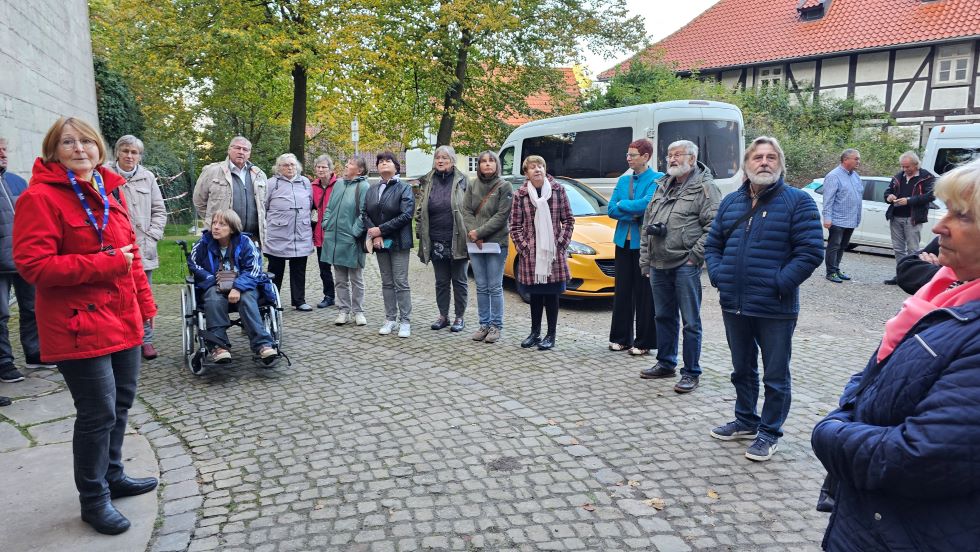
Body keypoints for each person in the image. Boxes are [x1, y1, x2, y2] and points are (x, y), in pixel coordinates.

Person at [811, 158, 980, 551]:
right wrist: (856, 400)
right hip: (879, 521)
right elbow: (882, 367)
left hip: (917, 531)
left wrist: (830, 432)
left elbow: (921, 457)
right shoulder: (945, 293)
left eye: (962, 216)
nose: (938, 227)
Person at [13, 117, 158, 535]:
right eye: (68, 142)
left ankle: (113, 475)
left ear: (99, 148)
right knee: (96, 412)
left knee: (121, 403)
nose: (79, 149)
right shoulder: (40, 198)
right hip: (78, 324)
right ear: (53, 150)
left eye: (86, 142)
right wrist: (106, 263)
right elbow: (34, 266)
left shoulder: (109, 190)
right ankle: (93, 500)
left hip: (123, 318)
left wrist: (146, 305)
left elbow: (129, 253)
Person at [704, 136, 823, 461]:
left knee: (775, 375)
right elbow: (712, 245)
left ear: (780, 164)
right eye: (757, 157)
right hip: (734, 303)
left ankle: (769, 433)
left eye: (771, 157)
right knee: (741, 369)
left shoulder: (798, 202)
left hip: (775, 307)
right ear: (746, 165)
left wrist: (779, 283)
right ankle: (745, 421)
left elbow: (811, 251)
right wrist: (719, 275)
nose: (764, 162)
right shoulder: (731, 203)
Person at [638, 140, 721, 394]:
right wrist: (645, 259)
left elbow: (715, 226)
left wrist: (694, 257)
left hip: (685, 263)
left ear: (692, 159)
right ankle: (665, 362)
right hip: (658, 262)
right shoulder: (662, 185)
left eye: (677, 155)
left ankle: (691, 372)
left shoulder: (706, 188)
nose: (672, 159)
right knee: (663, 316)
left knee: (690, 322)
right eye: (669, 155)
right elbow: (647, 224)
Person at [188, 209, 278, 364]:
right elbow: (194, 265)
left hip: (244, 287)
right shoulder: (202, 243)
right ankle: (218, 346)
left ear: (232, 228)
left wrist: (237, 287)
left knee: (247, 297)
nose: (215, 227)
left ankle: (262, 344)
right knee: (213, 298)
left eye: (222, 224)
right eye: (214, 223)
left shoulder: (245, 243)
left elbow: (254, 269)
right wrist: (212, 279)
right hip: (214, 286)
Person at [108, 135, 167, 360]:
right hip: (114, 249)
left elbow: (160, 211)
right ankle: (120, 339)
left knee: (144, 296)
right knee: (116, 296)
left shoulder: (147, 177)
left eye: (134, 152)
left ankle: (146, 340)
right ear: (117, 153)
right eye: (125, 151)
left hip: (143, 248)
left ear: (140, 156)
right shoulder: (104, 175)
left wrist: (152, 237)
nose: (129, 156)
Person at [0, 136, 52, 389]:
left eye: (4, 148)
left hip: (24, 258)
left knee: (32, 307)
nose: (3, 153)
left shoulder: (17, 181)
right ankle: (4, 362)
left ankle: (35, 352)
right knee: (1, 314)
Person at [509, 155, 574, 351]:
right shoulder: (520, 195)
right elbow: (514, 225)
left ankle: (551, 335)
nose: (537, 169)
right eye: (532, 167)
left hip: (552, 252)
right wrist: (524, 247)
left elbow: (569, 220)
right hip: (532, 254)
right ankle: (535, 332)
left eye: (541, 166)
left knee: (552, 295)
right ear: (526, 173)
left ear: (545, 170)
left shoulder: (558, 190)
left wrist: (560, 243)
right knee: (535, 296)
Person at [607, 139, 661, 356]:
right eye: (628, 154)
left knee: (644, 293)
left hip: (644, 244)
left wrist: (624, 206)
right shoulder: (623, 181)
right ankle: (621, 339)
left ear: (646, 157)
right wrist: (632, 210)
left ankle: (644, 341)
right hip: (623, 242)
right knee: (622, 292)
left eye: (632, 155)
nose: (628, 158)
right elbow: (611, 209)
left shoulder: (658, 179)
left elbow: (648, 205)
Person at [416, 146, 469, 333]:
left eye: (445, 158)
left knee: (460, 280)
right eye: (438, 157)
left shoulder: (463, 180)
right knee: (441, 281)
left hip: (458, 238)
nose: (440, 161)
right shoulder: (427, 180)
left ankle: (459, 316)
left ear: (452, 160)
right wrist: (419, 231)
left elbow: (470, 209)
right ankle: (443, 316)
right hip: (436, 238)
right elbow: (420, 209)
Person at [461, 150, 513, 344]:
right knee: (481, 286)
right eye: (483, 161)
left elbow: (501, 216)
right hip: (475, 243)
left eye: (491, 161)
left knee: (494, 286)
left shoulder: (504, 186)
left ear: (497, 164)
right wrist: (473, 233)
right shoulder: (472, 184)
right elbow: (466, 210)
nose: (487, 164)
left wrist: (479, 233)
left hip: (496, 243)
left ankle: (496, 326)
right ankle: (483, 324)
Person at [364, 152, 414, 338]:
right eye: (381, 162)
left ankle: (405, 321)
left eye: (388, 161)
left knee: (400, 281)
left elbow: (406, 215)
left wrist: (381, 230)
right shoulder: (372, 189)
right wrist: (374, 233)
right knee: (386, 281)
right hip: (380, 242)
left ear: (396, 167)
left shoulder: (404, 188)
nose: (384, 164)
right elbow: (365, 214)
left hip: (399, 241)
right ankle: (390, 318)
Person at [321, 157, 370, 326]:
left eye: (350, 164)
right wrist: (326, 222)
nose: (346, 166)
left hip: (351, 239)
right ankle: (343, 310)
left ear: (360, 170)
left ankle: (358, 311)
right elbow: (329, 207)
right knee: (340, 278)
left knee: (356, 278)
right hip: (334, 238)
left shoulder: (363, 186)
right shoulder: (339, 184)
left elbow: (364, 212)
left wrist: (354, 232)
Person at [263, 153, 314, 311]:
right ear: (279, 168)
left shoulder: (305, 182)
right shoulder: (271, 183)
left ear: (297, 166)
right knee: (275, 269)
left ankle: (299, 300)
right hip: (277, 234)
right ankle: (272, 300)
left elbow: (310, 203)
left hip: (301, 232)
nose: (290, 167)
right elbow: (263, 207)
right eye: (285, 165)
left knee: (299, 268)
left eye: (292, 164)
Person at [193, 136, 268, 243]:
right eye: (237, 148)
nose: (241, 152)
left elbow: (264, 203)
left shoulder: (259, 174)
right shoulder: (212, 171)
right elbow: (199, 201)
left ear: (249, 153)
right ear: (229, 150)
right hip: (222, 238)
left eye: (245, 149)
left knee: (252, 260)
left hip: (253, 238)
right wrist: (215, 221)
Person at [883, 151, 935, 285]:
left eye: (907, 167)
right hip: (896, 216)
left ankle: (915, 278)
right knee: (898, 249)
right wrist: (889, 197)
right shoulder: (898, 176)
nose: (904, 169)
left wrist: (909, 201)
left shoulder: (927, 177)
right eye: (902, 166)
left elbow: (931, 196)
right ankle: (901, 276)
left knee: (913, 250)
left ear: (916, 165)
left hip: (913, 218)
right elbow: (888, 191)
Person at [822, 149, 863, 283]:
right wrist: (827, 218)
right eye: (855, 159)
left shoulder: (855, 176)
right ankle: (831, 272)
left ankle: (836, 268)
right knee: (834, 245)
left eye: (858, 159)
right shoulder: (834, 176)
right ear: (846, 160)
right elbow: (828, 199)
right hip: (837, 219)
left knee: (843, 245)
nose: (858, 161)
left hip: (851, 218)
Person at [311, 154, 337, 308]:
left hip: (336, 232)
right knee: (324, 268)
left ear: (330, 169)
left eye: (324, 167)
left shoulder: (339, 185)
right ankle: (329, 296)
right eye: (318, 167)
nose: (320, 170)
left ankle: (344, 296)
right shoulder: (312, 186)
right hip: (320, 234)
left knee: (341, 267)